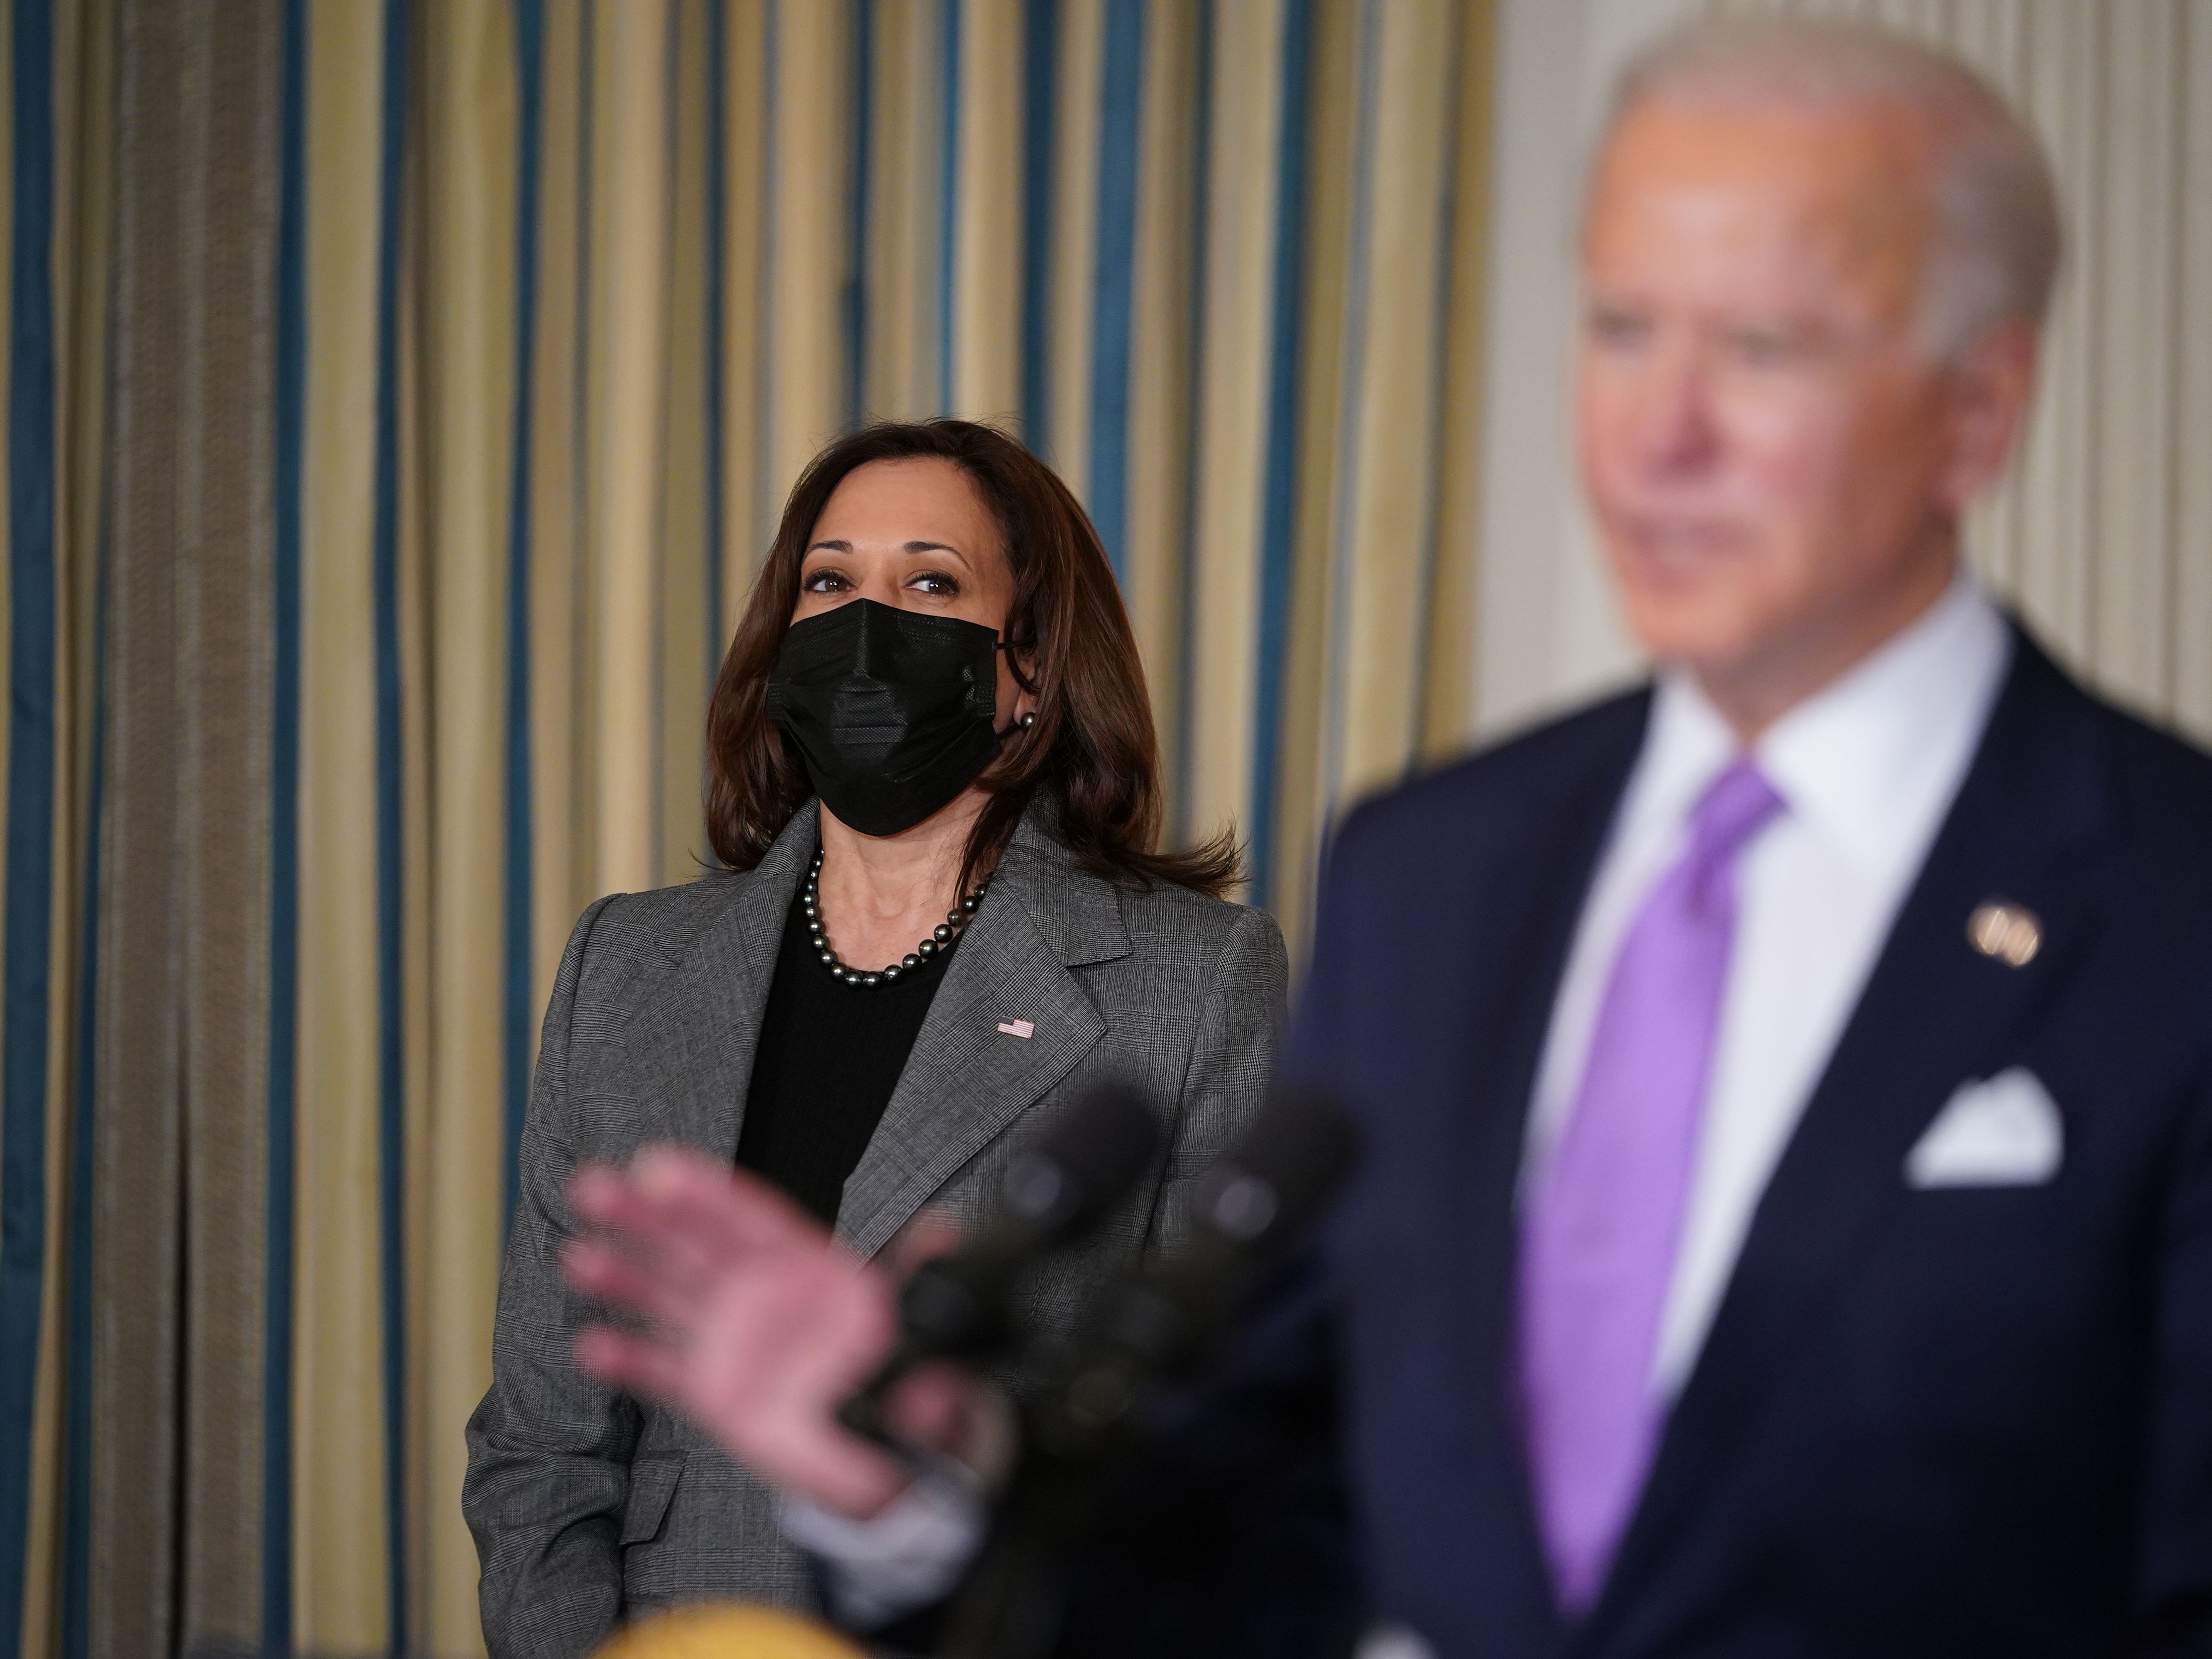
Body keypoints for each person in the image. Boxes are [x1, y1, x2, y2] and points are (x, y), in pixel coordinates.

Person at [558, 20, 2212, 1657]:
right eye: (1623, 328)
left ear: (1980, 408)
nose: (1662, 434)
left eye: (1765, 345)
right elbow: (1270, 1529)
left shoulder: (2171, 897)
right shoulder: (1433, 871)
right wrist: (925, 1465)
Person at [461, 419, 1287, 1657]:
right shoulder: (624, 967)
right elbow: (541, 1445)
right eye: (830, 581)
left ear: (1027, 669)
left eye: (931, 584)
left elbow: (1226, 1460)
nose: (867, 622)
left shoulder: (1200, 978)